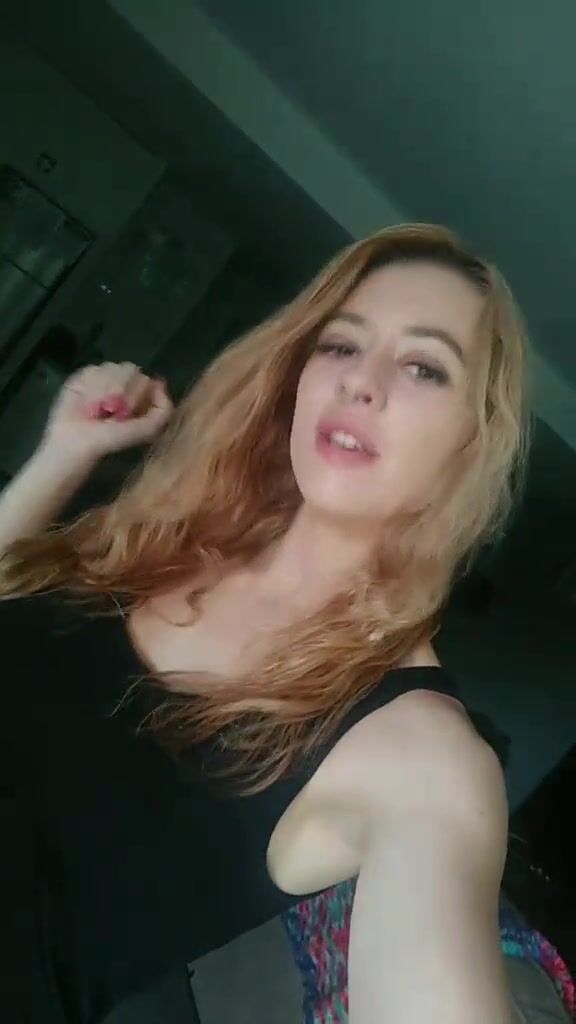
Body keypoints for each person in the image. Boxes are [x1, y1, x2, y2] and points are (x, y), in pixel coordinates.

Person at [0, 224, 529, 1024]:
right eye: (341, 345)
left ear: (472, 440)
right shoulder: (169, 535)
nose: (361, 382)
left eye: (424, 366)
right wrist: (65, 453)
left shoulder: (421, 753)